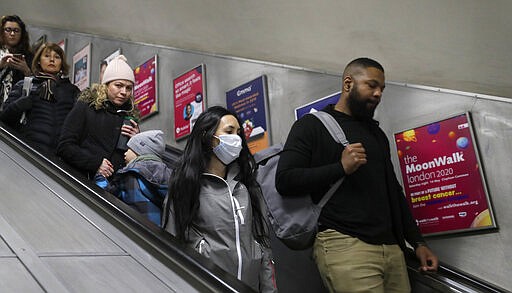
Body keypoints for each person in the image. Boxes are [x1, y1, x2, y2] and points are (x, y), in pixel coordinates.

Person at [276, 57, 438, 292]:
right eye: (371, 85)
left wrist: (417, 242)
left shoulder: (376, 134)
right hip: (345, 245)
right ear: (348, 84)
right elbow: (285, 180)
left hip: (392, 248)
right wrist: (340, 168)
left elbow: (393, 189)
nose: (378, 94)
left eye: (381, 88)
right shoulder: (311, 125)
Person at [162, 106, 277, 292]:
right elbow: (172, 245)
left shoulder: (247, 185)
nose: (236, 138)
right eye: (229, 131)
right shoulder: (186, 186)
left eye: (239, 133)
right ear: (207, 136)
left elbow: (263, 246)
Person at [57, 55, 140, 180]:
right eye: (118, 85)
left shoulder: (130, 117)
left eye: (129, 88)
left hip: (114, 189)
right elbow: (65, 146)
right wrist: (95, 163)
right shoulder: (86, 106)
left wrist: (137, 141)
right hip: (82, 180)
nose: (124, 92)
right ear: (106, 85)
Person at [0, 42, 79, 153]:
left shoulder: (72, 91)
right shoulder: (24, 84)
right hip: (30, 150)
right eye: (47, 56)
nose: (52, 60)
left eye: (57, 57)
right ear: (38, 61)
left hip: (60, 156)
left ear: (62, 63)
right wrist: (18, 105)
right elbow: (4, 119)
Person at [97, 130, 172, 227]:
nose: (125, 153)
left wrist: (99, 177)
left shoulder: (131, 174)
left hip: (135, 227)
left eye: (129, 149)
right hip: (159, 231)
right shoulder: (169, 176)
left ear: (139, 151)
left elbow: (107, 195)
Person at [0, 15, 33, 111]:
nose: (12, 33)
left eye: (16, 30)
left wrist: (26, 71)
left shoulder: (29, 57)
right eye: (8, 30)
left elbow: (36, 88)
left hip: (15, 109)